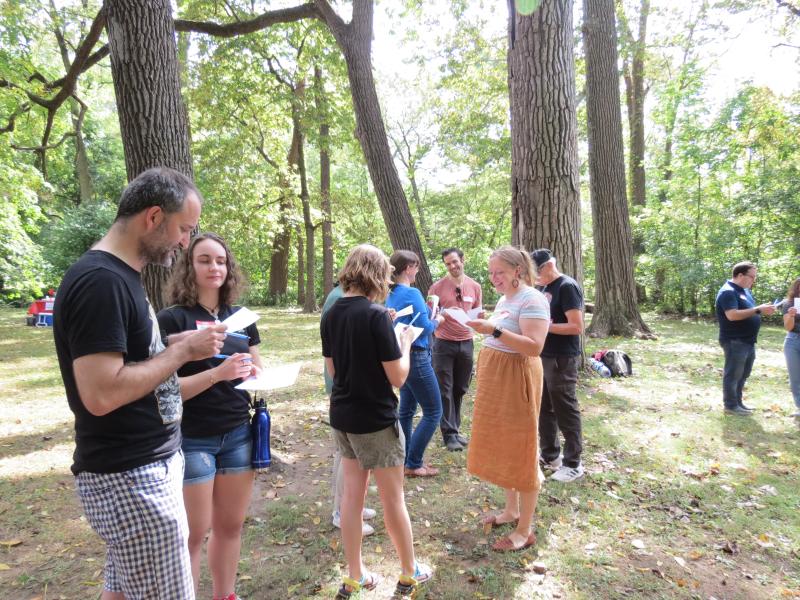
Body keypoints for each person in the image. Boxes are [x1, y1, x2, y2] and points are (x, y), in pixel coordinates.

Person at [53, 167, 227, 600]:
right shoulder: (101, 282)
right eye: (184, 229)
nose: (186, 242)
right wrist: (182, 353)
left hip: (140, 469)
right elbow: (101, 392)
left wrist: (169, 342)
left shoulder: (121, 276)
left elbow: (125, 354)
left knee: (124, 590)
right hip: (131, 477)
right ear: (153, 218)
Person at [321, 244, 433, 598]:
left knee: (351, 500)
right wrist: (401, 343)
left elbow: (333, 369)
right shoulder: (376, 316)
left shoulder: (332, 312)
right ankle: (409, 572)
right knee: (393, 500)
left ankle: (355, 575)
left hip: (342, 417)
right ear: (377, 274)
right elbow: (398, 377)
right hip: (376, 420)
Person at [157, 233, 262, 600]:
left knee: (230, 526)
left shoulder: (242, 317)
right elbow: (166, 390)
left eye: (220, 260)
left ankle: (225, 595)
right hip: (192, 436)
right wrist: (218, 373)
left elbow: (255, 369)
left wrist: (253, 372)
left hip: (238, 433)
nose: (214, 267)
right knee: (192, 533)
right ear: (189, 266)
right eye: (204, 260)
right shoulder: (171, 320)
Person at [465, 246, 550, 552]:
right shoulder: (505, 299)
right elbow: (501, 332)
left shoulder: (533, 299)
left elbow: (533, 347)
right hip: (497, 382)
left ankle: (525, 528)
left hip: (517, 380)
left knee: (522, 447)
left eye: (499, 272)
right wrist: (485, 328)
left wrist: (495, 330)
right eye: (490, 273)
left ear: (518, 270)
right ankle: (511, 510)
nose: (493, 278)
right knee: (503, 444)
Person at [321, 282, 377, 536]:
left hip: (349, 386)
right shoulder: (339, 299)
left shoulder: (348, 297)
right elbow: (337, 347)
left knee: (354, 453)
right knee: (346, 455)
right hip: (343, 387)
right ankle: (342, 513)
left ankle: (354, 506)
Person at [386, 250, 445, 477]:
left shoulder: (390, 293)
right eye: (417, 267)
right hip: (418, 354)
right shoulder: (412, 293)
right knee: (433, 411)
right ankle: (414, 462)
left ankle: (404, 459)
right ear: (409, 267)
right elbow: (425, 327)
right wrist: (438, 319)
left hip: (402, 354)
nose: (417, 271)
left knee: (407, 410)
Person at [531, 248, 586, 483]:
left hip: (562, 358)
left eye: (538, 271)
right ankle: (550, 455)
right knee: (545, 407)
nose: (536, 277)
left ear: (548, 266)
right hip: (544, 355)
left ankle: (573, 462)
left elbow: (576, 326)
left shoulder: (566, 286)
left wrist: (545, 326)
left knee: (565, 407)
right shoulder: (542, 289)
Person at [428, 248, 483, 451]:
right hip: (443, 343)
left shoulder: (475, 286)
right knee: (445, 389)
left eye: (454, 262)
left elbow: (477, 312)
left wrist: (480, 319)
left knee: (460, 388)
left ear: (462, 260)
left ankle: (456, 429)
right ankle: (449, 433)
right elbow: (430, 315)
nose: (452, 266)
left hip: (466, 342)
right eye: (448, 263)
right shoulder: (436, 288)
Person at [715, 261, 776, 416]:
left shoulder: (744, 291)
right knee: (733, 373)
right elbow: (732, 315)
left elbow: (750, 310)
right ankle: (730, 405)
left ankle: (738, 402)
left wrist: (761, 309)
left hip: (747, 341)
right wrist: (757, 310)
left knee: (743, 373)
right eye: (751, 277)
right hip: (735, 340)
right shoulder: (728, 291)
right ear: (740, 275)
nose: (753, 280)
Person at [782, 278, 800, 417]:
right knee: (795, 377)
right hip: (793, 341)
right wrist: (791, 315)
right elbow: (788, 327)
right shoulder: (788, 303)